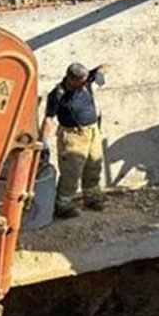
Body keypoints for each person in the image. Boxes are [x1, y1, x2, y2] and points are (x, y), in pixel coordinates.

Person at [42, 63, 110, 219]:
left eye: (86, 80)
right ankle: (63, 205)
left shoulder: (86, 80)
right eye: (81, 82)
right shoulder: (58, 94)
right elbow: (48, 119)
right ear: (72, 79)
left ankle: (92, 198)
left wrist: (100, 73)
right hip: (73, 136)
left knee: (94, 165)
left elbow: (106, 66)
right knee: (71, 172)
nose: (85, 85)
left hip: (92, 131)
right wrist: (44, 141)